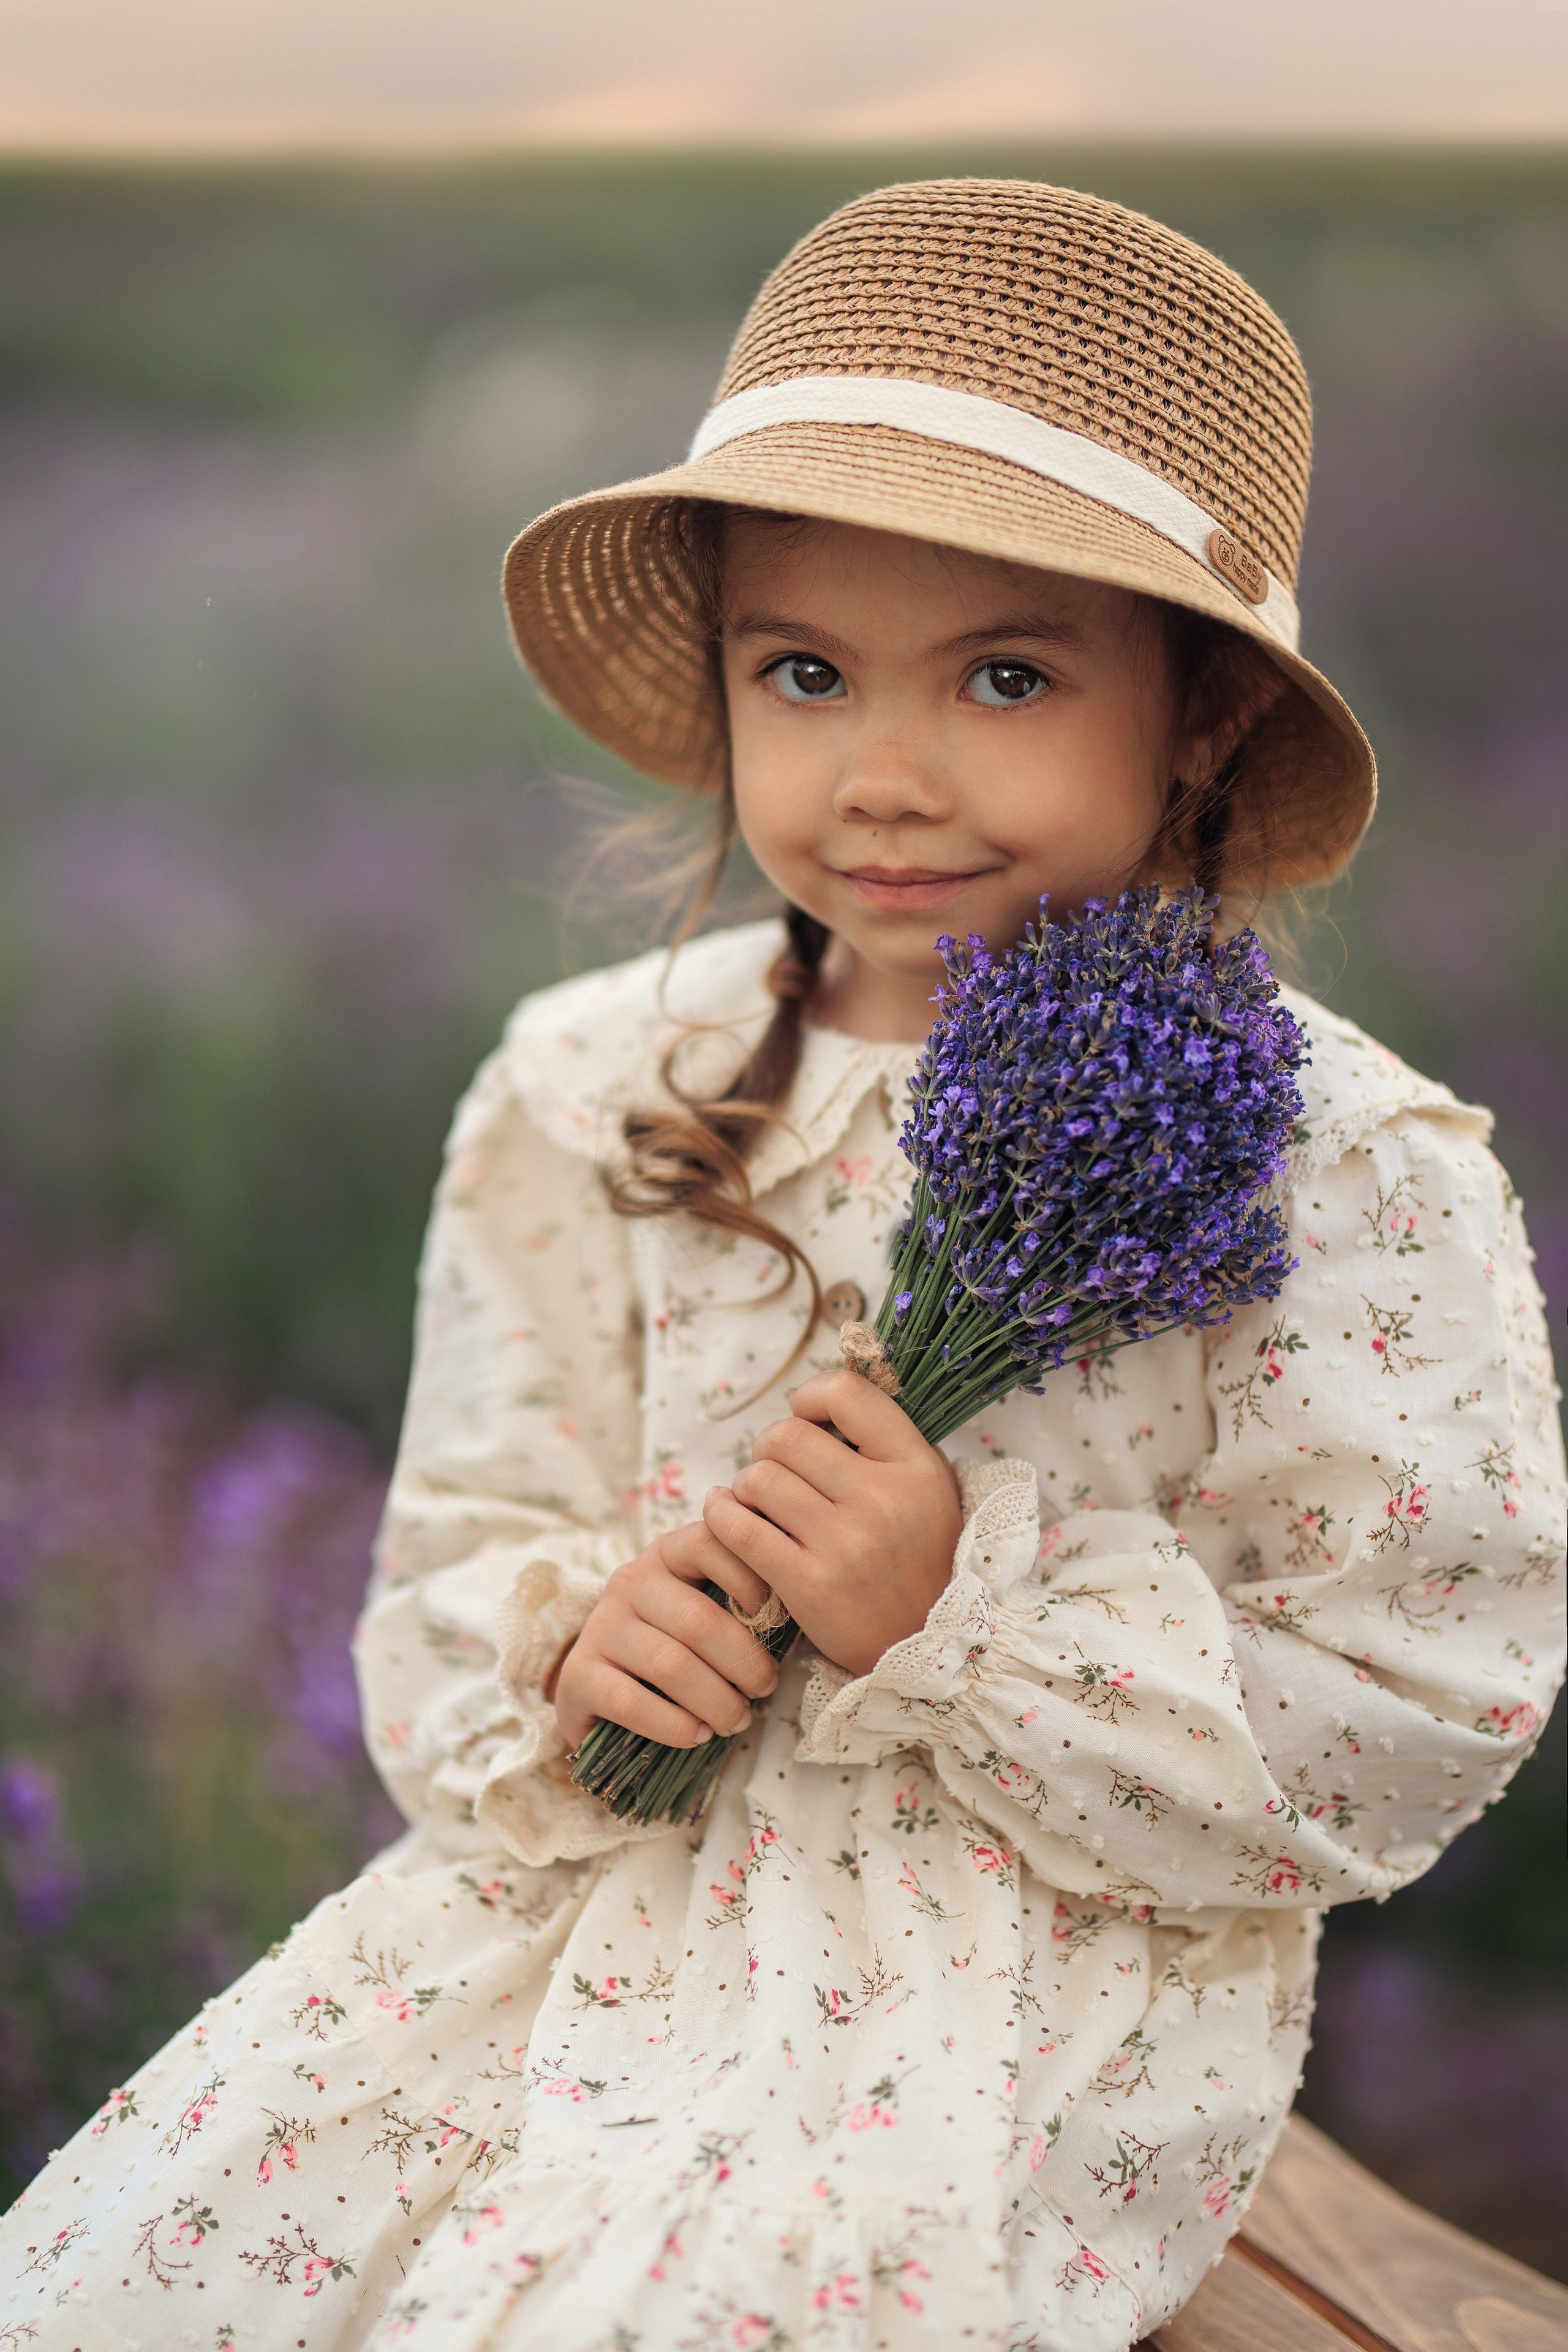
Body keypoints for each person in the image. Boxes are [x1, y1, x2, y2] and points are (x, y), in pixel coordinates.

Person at [4, 177, 1562, 2352]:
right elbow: (463, 1547)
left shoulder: (1336, 1158)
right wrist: (571, 1651)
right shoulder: (586, 1088)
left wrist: (964, 1620)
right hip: (567, 1919)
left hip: (1014, 1985)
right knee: (157, 2275)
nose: (887, 775)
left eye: (1006, 677)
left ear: (1202, 716)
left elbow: (1419, 1684)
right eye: (807, 674)